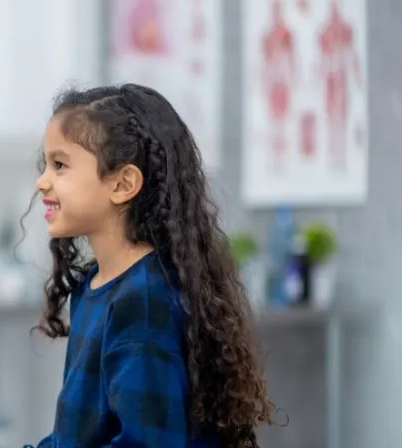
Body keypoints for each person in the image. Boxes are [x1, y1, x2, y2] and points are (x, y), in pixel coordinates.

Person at [26, 84, 274, 448]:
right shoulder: (94, 287)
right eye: (46, 164)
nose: (42, 181)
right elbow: (74, 439)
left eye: (60, 165)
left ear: (124, 183)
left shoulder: (141, 300)